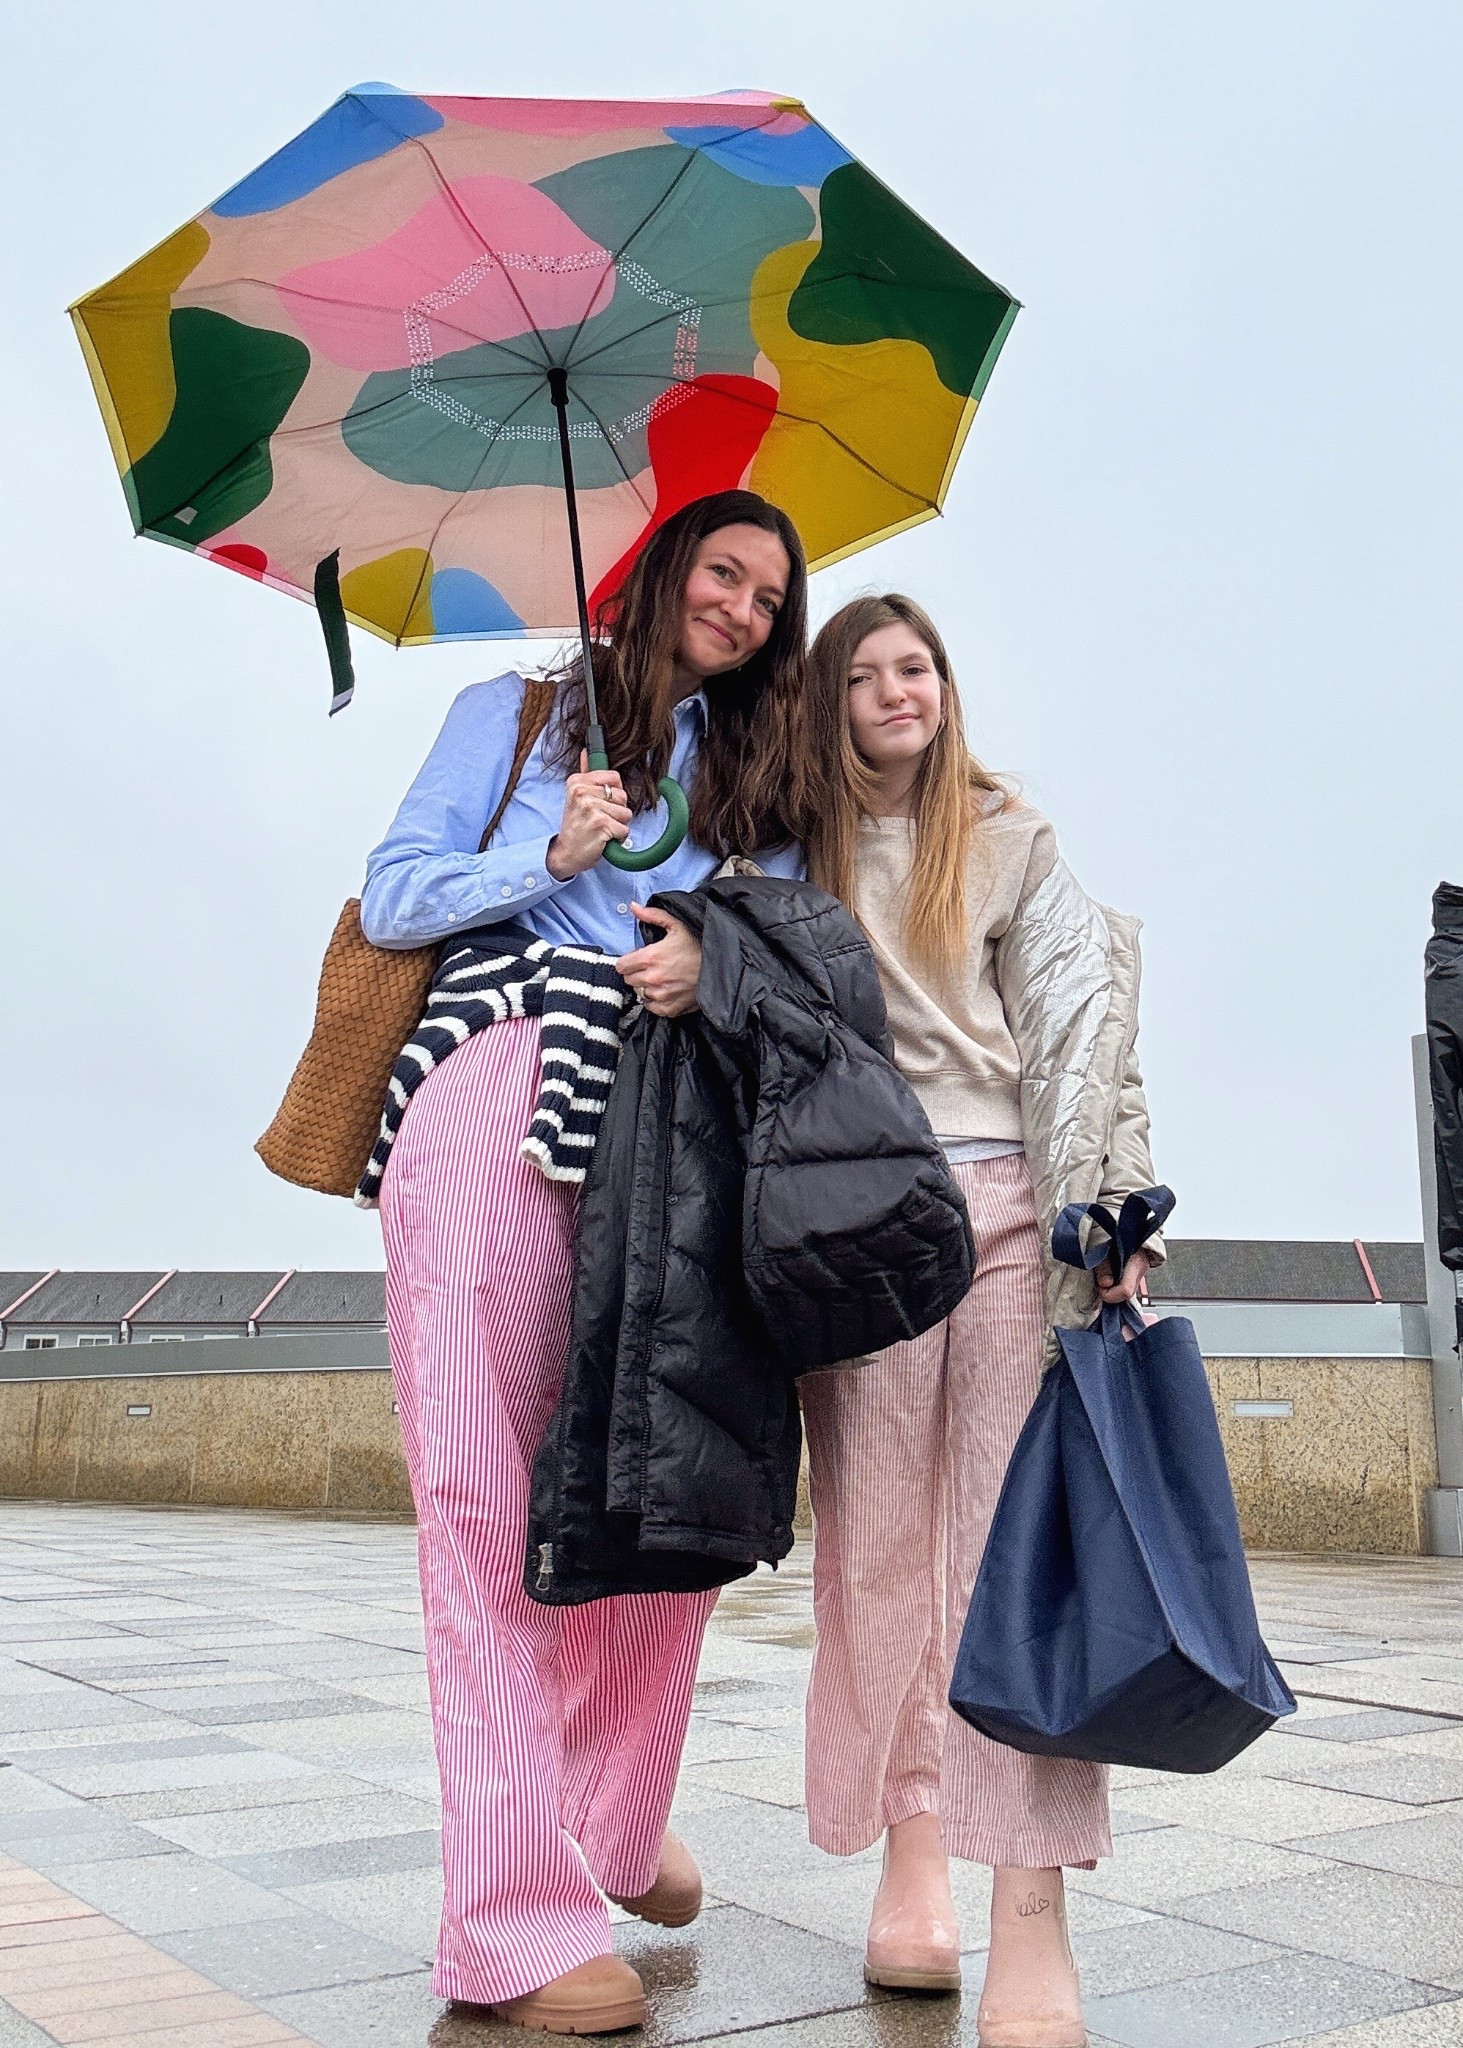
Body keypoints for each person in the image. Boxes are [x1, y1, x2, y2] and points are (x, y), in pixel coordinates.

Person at [359, 491, 816, 2034]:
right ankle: (510, 1921)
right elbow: (394, 891)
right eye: (724, 569)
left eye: (770, 592)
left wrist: (715, 953)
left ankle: (607, 1830)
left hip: (670, 1124)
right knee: (486, 1505)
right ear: (664, 567)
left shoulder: (758, 777)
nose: (743, 606)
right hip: (494, 1086)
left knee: (664, 1484)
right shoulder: (521, 713)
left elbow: (803, 950)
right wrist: (547, 849)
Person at [798, 594, 1163, 2048]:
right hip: (858, 1220)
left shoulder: (1012, 837)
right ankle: (910, 1853)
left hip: (1014, 1204)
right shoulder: (788, 848)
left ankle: (1031, 1910)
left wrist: (1119, 1209)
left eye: (923, 666)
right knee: (876, 1549)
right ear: (827, 698)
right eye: (874, 672)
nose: (905, 690)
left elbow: (1089, 1032)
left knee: (1021, 1560)